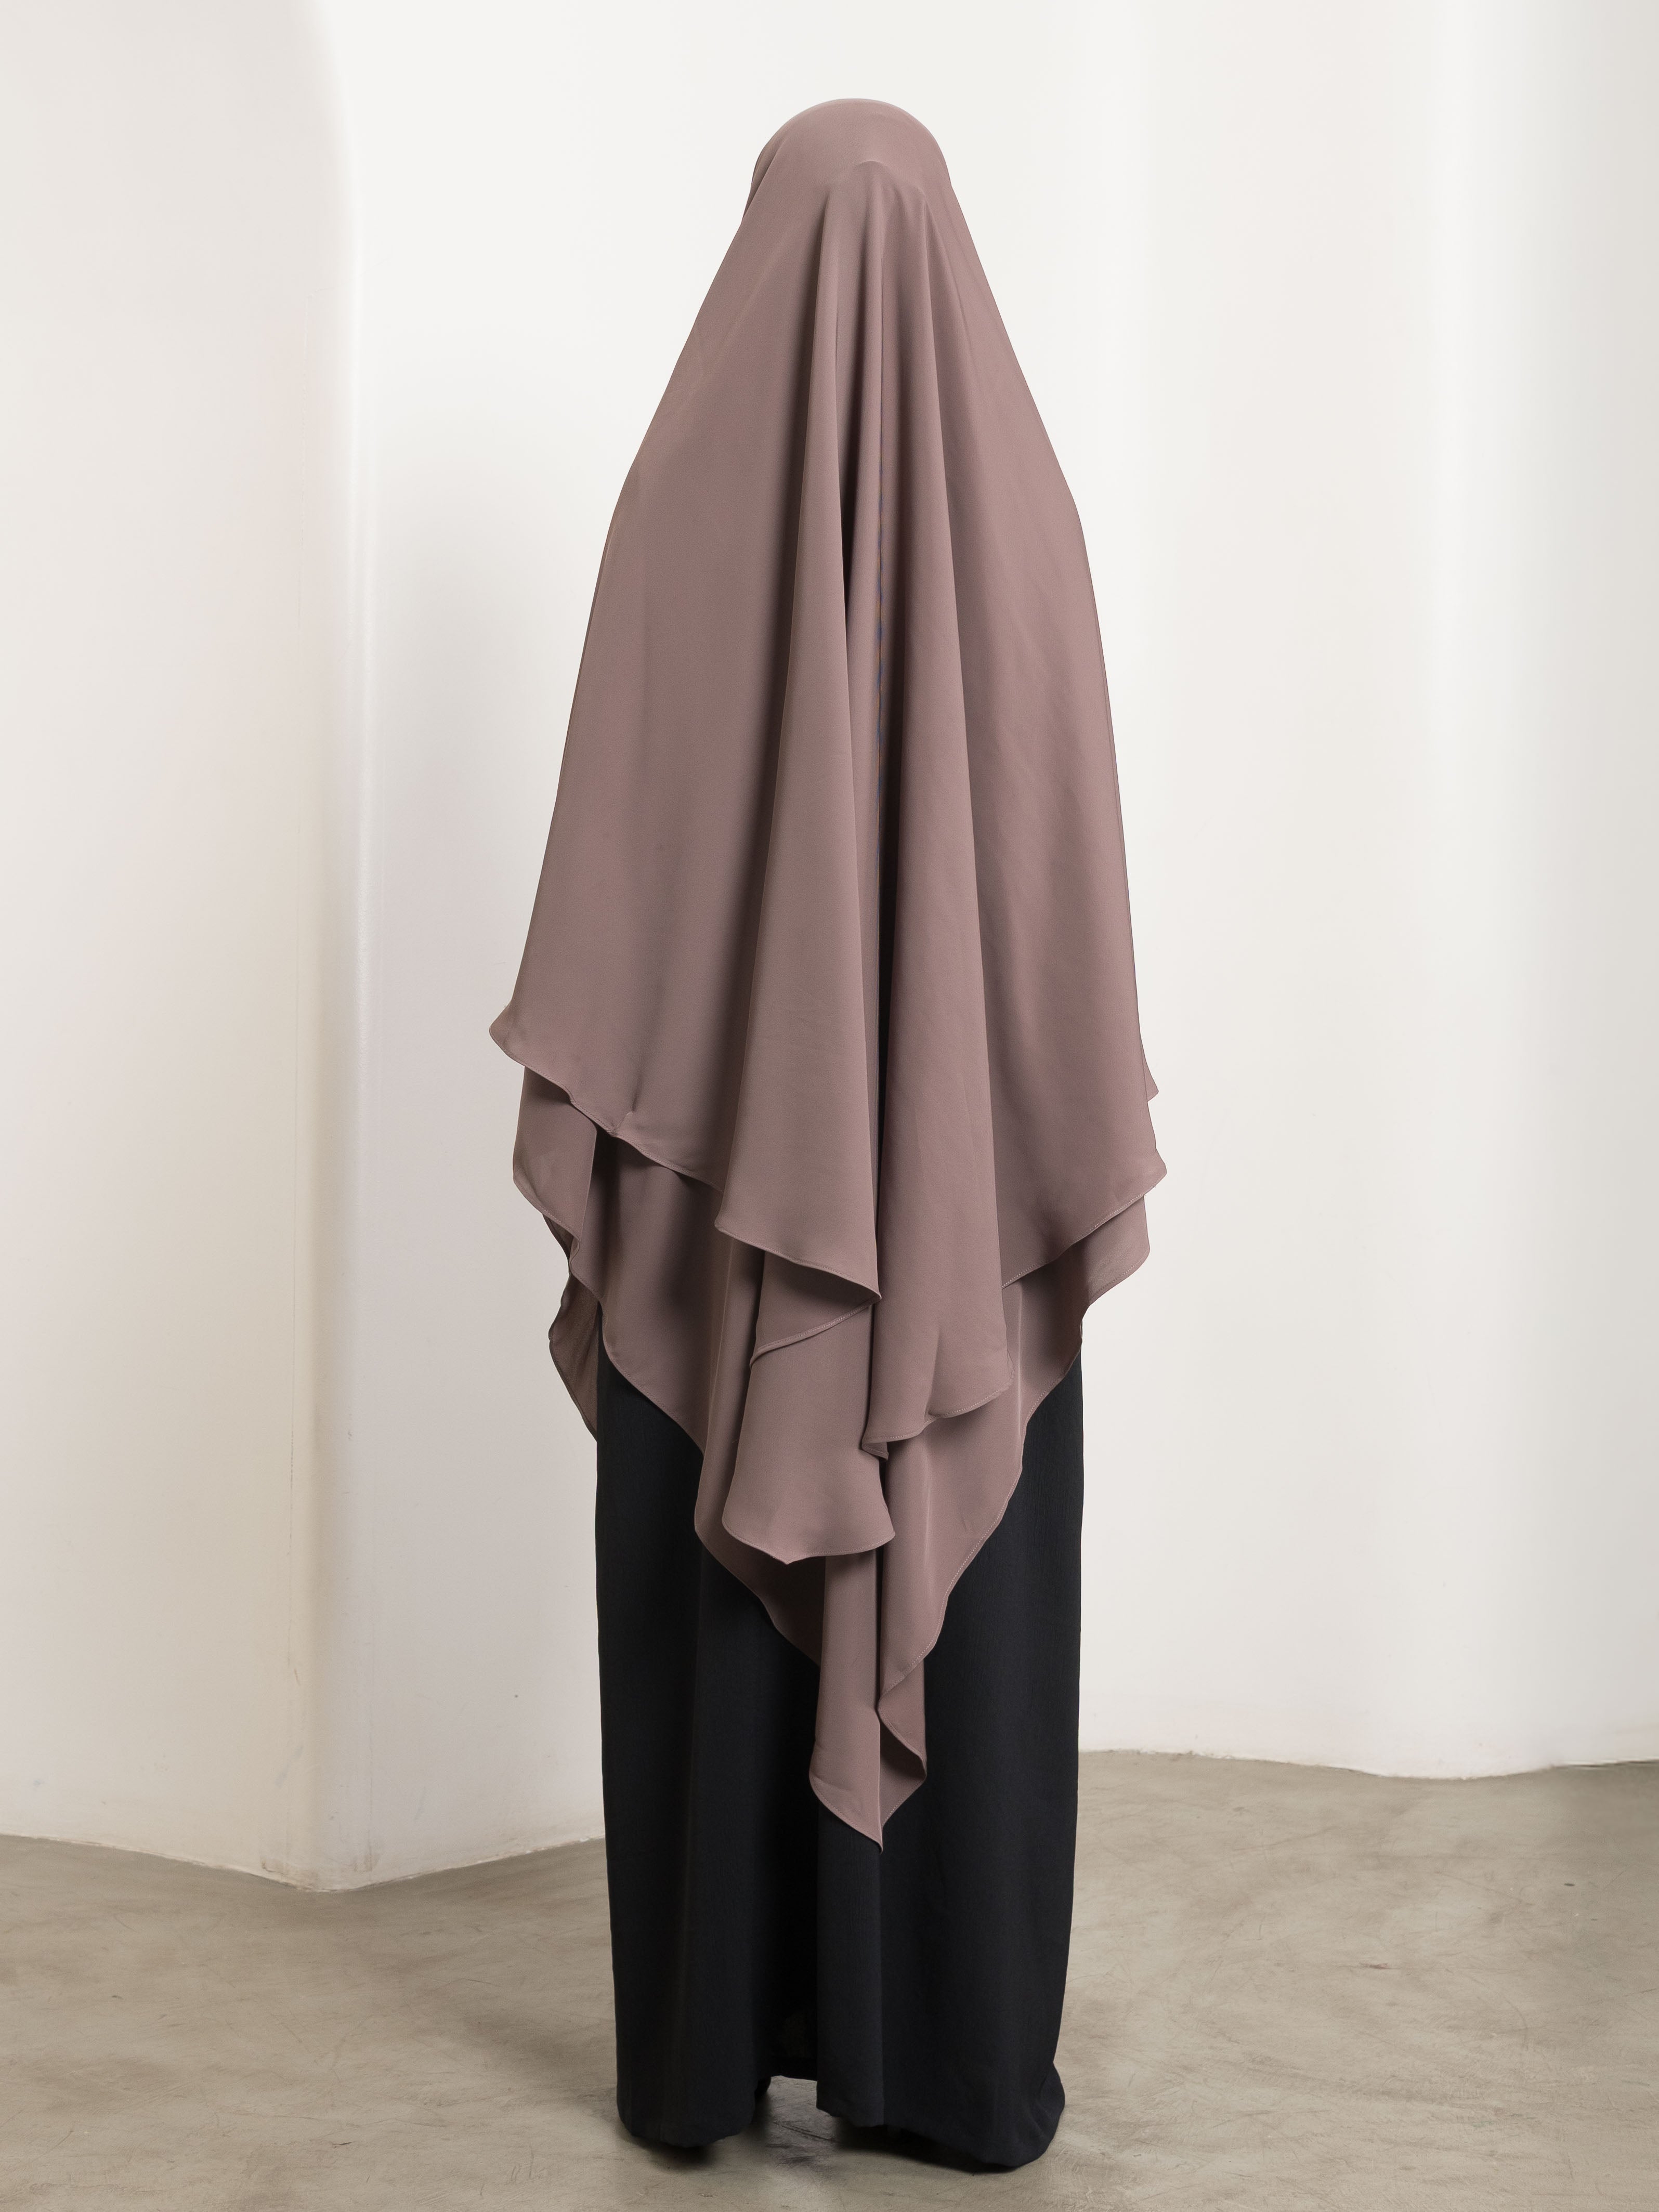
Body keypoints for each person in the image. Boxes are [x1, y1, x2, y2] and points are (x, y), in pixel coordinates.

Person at [490, 97, 1164, 2170]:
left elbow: (624, 914)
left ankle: (707, 2058)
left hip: (731, 1246)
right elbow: (1059, 946)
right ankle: (952, 2066)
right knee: (958, 1590)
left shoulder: (673, 507)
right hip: (948, 1265)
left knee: (711, 1592)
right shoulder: (1031, 525)